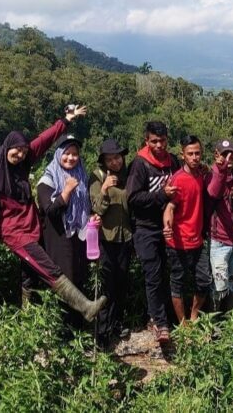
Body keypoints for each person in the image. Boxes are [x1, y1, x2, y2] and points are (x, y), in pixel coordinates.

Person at [0, 106, 106, 323]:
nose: (20, 154)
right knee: (48, 268)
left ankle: (28, 321)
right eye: (16, 150)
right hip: (16, 235)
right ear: (6, 147)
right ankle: (85, 307)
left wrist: (66, 121)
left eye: (23, 150)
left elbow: (44, 139)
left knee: (29, 275)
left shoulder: (23, 164)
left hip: (32, 227)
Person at [126, 121, 180, 345]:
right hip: (146, 229)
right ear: (146, 141)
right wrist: (162, 196)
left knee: (170, 273)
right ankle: (159, 322)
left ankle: (166, 317)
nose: (159, 145)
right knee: (153, 275)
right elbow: (133, 198)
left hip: (168, 227)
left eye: (163, 140)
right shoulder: (139, 164)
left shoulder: (172, 161)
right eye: (154, 141)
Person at [37, 131, 97, 324]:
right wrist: (67, 191)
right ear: (58, 154)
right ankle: (63, 329)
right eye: (67, 153)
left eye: (75, 154)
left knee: (79, 276)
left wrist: (91, 218)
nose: (71, 158)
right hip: (58, 236)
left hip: (77, 236)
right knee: (65, 280)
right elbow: (50, 210)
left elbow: (85, 205)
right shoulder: (48, 179)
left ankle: (78, 326)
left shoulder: (81, 176)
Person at [162, 135, 212, 324]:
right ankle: (182, 324)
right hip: (177, 242)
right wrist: (167, 226)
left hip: (198, 241)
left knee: (204, 281)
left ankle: (194, 315)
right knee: (177, 284)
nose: (194, 157)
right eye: (190, 154)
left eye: (197, 153)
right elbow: (170, 207)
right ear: (182, 155)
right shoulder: (177, 180)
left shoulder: (201, 174)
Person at [89, 139, 132, 347]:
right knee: (106, 286)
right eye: (110, 159)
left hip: (125, 238)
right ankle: (102, 333)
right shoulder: (97, 177)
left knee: (121, 284)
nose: (115, 162)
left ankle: (116, 324)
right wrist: (105, 188)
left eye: (117, 157)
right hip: (106, 239)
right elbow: (97, 208)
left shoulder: (128, 176)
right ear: (103, 161)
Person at [205, 139, 233, 314]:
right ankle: (214, 323)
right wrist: (221, 169)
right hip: (219, 240)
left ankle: (227, 318)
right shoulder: (212, 175)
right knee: (219, 284)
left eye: (231, 154)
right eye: (224, 154)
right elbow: (213, 193)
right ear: (217, 155)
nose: (228, 157)